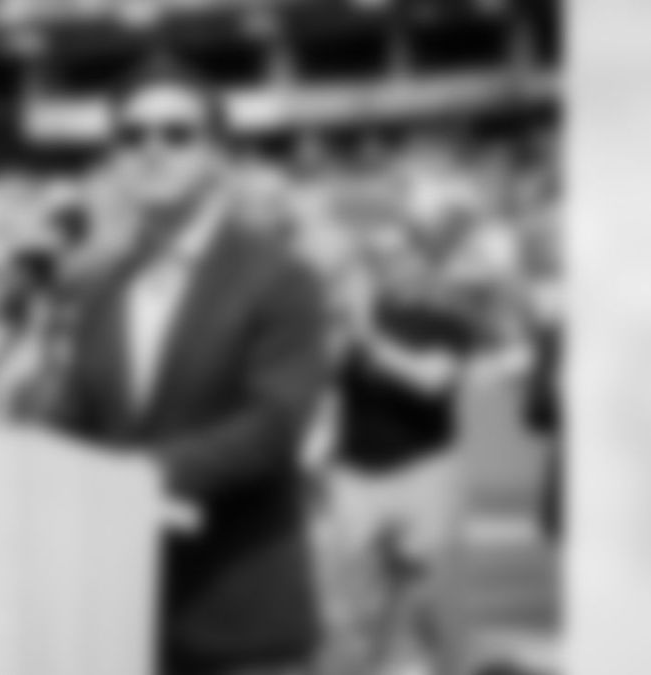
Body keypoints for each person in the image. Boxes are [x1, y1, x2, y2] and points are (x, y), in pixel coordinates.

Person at [55, 61, 331, 675]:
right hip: (120, 622)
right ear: (114, 159)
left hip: (243, 628)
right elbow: (75, 424)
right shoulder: (99, 289)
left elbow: (275, 425)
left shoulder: (279, 277)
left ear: (218, 157)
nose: (152, 149)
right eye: (132, 135)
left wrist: (137, 477)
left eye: (177, 134)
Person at [326, 177, 485, 675]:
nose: (395, 267)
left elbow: (432, 381)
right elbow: (322, 376)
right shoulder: (347, 321)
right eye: (384, 259)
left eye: (405, 258)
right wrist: (346, 320)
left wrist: (367, 337)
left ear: (425, 264)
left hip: (426, 469)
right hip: (354, 472)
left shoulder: (449, 321)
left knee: (433, 604)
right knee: (355, 612)